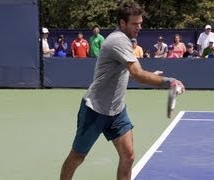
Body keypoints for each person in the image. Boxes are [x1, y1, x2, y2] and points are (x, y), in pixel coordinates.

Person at [60, 2, 185, 180]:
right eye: (134, 24)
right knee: (78, 156)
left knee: (128, 155)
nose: (139, 27)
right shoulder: (118, 40)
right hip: (95, 110)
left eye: (140, 23)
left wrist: (151, 75)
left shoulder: (125, 41)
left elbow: (125, 73)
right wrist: (169, 81)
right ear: (122, 23)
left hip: (117, 111)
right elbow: (138, 73)